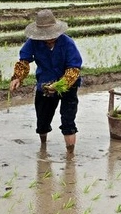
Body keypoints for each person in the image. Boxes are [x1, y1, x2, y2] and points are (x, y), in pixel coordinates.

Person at [9, 9, 83, 155]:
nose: (48, 39)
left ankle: (70, 158)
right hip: (45, 84)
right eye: (45, 36)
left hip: (68, 85)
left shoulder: (67, 43)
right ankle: (43, 148)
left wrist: (60, 85)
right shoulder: (33, 43)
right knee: (42, 121)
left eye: (51, 35)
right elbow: (24, 60)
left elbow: (74, 68)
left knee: (68, 121)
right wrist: (18, 77)